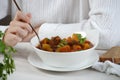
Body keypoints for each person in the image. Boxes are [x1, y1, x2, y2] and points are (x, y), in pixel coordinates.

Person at [0, 0, 120, 49]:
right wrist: (4, 36)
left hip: (89, 69)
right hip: (25, 62)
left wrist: (42, 31)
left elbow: (107, 32)